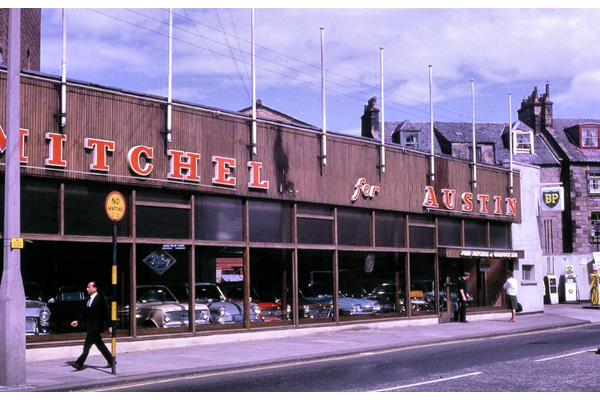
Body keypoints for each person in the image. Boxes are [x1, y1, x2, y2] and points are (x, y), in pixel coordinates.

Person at [69, 281, 114, 370]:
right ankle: (111, 361)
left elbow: (106, 313)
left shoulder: (100, 299)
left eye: (89, 287)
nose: (87, 289)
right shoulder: (88, 299)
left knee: (87, 346)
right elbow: (85, 314)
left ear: (95, 289)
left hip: (96, 327)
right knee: (100, 345)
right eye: (87, 287)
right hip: (90, 327)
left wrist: (110, 326)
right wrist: (77, 321)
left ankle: (79, 363)